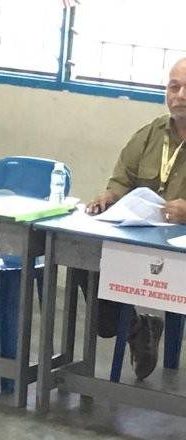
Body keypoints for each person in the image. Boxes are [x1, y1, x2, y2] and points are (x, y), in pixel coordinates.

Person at [83, 57, 186, 380]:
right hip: (142, 240)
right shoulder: (150, 133)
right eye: (173, 86)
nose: (179, 95)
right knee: (87, 260)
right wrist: (109, 196)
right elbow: (122, 178)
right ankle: (138, 329)